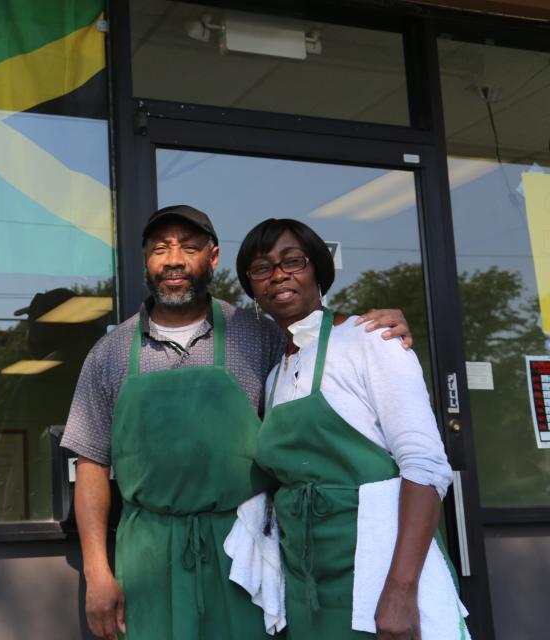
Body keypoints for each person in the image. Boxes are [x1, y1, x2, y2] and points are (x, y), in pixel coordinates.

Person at [61, 205, 412, 640]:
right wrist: (97, 572)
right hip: (146, 557)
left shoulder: (258, 334)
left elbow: (323, 345)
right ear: (146, 262)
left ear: (212, 258)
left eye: (189, 248)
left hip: (244, 553)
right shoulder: (108, 354)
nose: (173, 259)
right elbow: (91, 463)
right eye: (160, 249)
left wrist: (369, 325)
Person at [236, 218, 457, 639]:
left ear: (318, 269)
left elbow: (425, 466)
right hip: (307, 584)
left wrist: (400, 590)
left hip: (376, 575)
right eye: (261, 268)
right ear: (252, 287)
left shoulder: (370, 340)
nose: (278, 275)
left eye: (292, 261)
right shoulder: (275, 373)